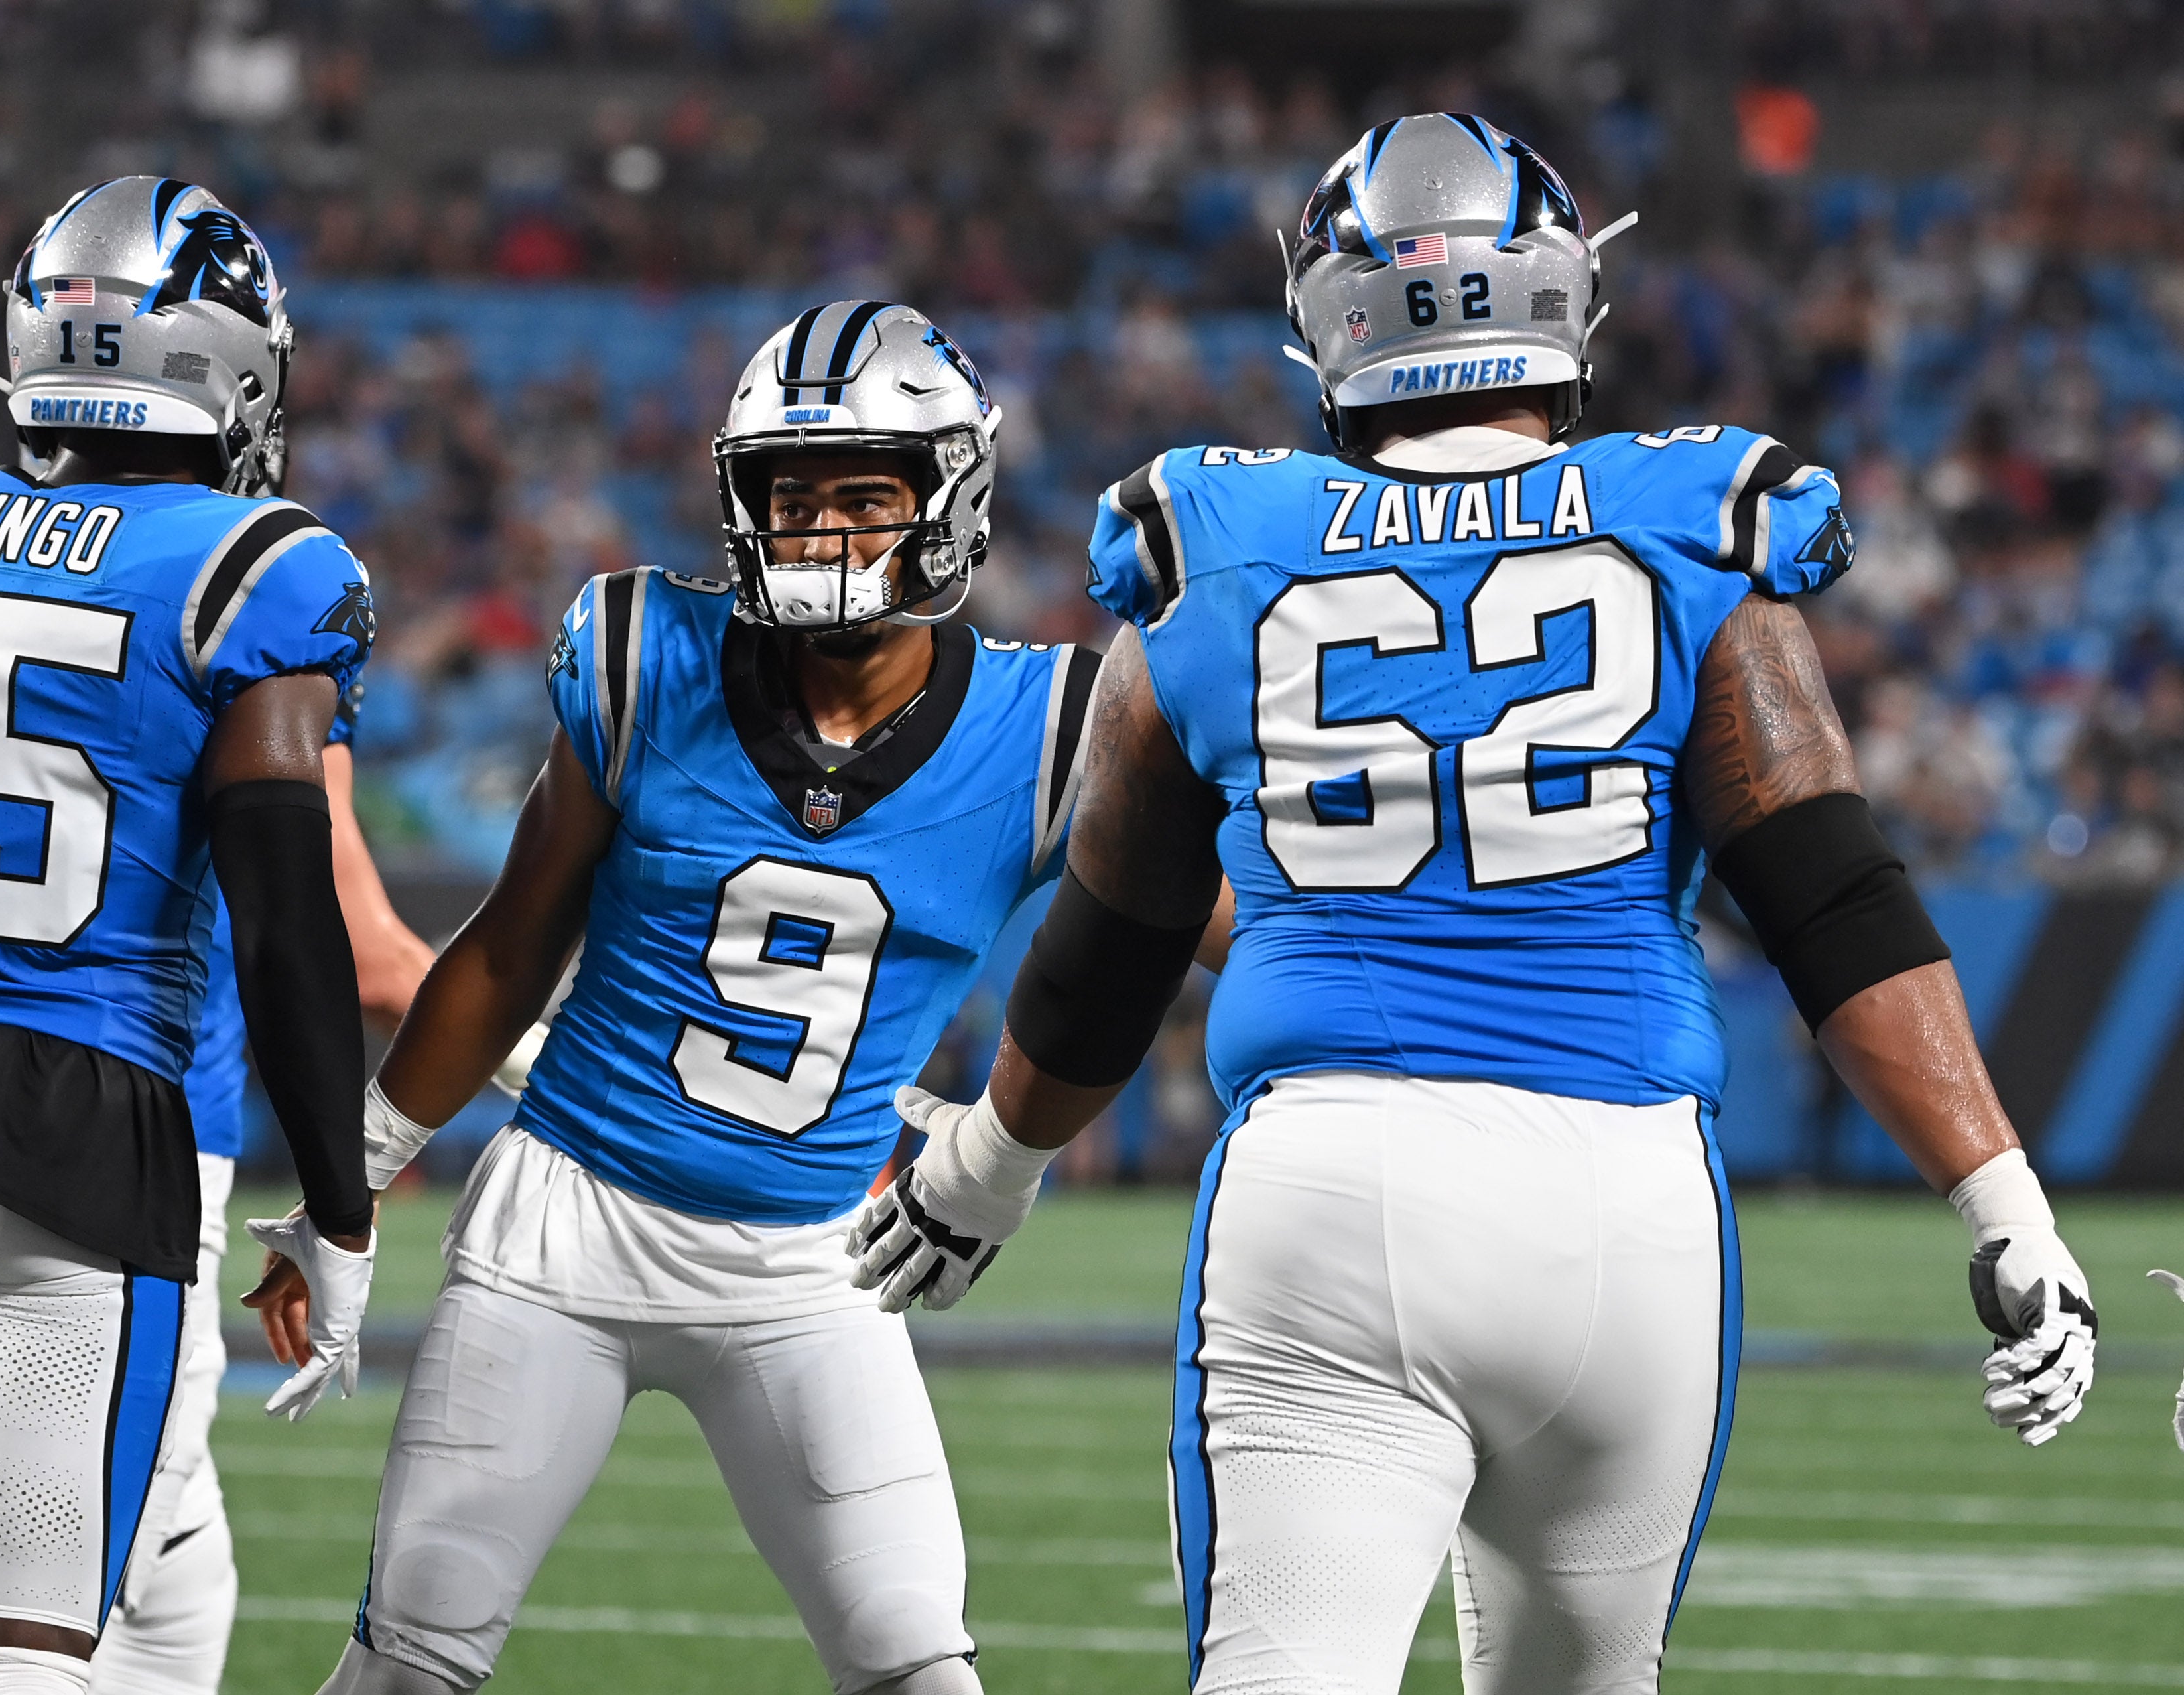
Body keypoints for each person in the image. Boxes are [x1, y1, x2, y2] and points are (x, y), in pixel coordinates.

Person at [850, 114, 2100, 1694]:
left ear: (1328, 324)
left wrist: (983, 1167)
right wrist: (2003, 1209)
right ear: (1561, 297)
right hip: (1628, 1203)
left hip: (1332, 1193)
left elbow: (1112, 939)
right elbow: (1832, 899)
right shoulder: (1686, 519)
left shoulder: (1210, 543)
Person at [279, 301, 1098, 1695]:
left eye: (863, 495)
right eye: (791, 497)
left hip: (813, 1267)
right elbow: (503, 950)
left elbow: (1179, 938)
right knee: (411, 1658)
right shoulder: (641, 655)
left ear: (947, 498)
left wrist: (1005, 1151)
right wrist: (349, 1188)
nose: (821, 532)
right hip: (564, 1233)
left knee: (918, 1667)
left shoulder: (1052, 727)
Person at [0, 177, 379, 1695]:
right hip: (80, 1131)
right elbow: (291, 938)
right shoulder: (258, 569)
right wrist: (341, 1214)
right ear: (226, 364)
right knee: (27, 1646)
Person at [0, 728, 434, 1695]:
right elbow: (366, 960)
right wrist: (558, 1045)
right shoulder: (247, 621)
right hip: (133, 1134)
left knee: (179, 1593)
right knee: (52, 1620)